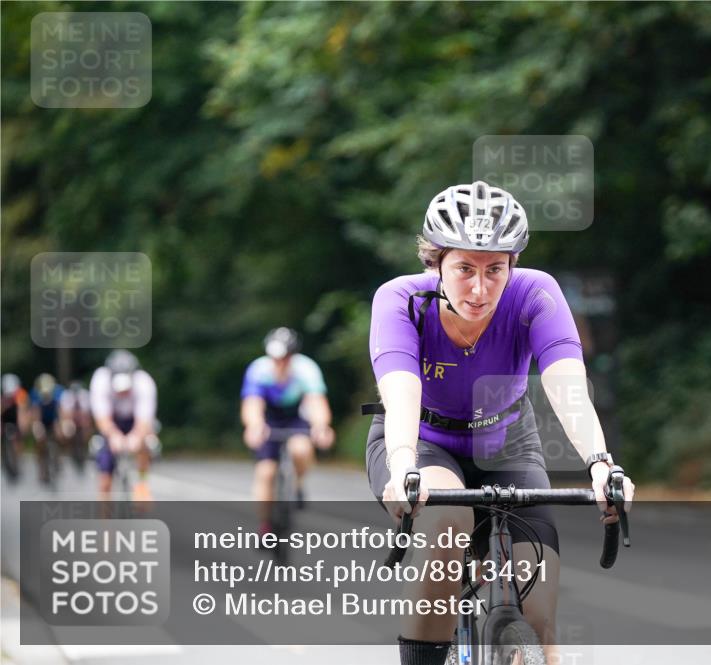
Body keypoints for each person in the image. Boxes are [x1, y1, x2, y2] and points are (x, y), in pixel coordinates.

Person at [366, 180, 635, 665]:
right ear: (436, 263)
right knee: (447, 524)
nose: (480, 288)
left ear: (512, 264)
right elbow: (401, 391)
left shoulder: (536, 293)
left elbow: (567, 386)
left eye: (495, 269)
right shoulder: (400, 299)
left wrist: (600, 463)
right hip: (422, 439)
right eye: (464, 269)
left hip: (507, 441)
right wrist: (403, 466)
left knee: (539, 615)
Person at [241, 327, 335, 536]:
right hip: (269, 419)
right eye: (275, 358)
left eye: (284, 358)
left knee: (301, 449)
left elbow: (316, 402)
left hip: (296, 418)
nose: (279, 362)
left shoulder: (306, 368)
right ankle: (265, 525)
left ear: (292, 355)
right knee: (265, 472)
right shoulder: (259, 369)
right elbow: (252, 403)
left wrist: (321, 426)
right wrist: (254, 426)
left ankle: (297, 484)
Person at [89, 350, 159, 502]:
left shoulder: (144, 382)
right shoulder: (101, 380)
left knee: (147, 442)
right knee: (105, 480)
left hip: (134, 420)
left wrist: (136, 437)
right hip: (112, 421)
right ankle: (105, 514)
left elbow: (144, 420)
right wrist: (113, 435)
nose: (122, 393)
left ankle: (142, 483)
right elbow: (102, 418)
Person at [29, 373, 65, 484]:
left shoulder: (58, 391)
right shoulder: (35, 393)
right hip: (41, 419)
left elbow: (60, 410)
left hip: (54, 418)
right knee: (39, 439)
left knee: (60, 436)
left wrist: (60, 425)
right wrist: (38, 425)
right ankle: (41, 466)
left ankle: (59, 457)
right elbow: (35, 411)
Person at [1, 374, 30, 479]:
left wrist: (22, 426)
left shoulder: (21, 394)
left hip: (16, 419)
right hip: (6, 420)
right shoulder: (3, 397)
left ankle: (18, 457)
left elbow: (22, 412)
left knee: (18, 438)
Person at [59, 380, 93, 470]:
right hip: (70, 419)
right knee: (67, 432)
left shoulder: (85, 395)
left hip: (83, 418)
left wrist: (85, 422)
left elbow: (87, 412)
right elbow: (64, 412)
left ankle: (85, 447)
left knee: (87, 430)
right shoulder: (66, 395)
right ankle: (68, 449)